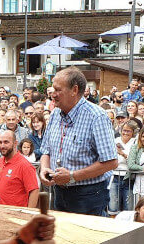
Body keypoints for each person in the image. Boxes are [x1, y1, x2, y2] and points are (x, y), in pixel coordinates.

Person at [39, 67, 118, 216]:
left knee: (87, 239)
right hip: (59, 192)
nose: (52, 94)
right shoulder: (55, 114)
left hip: (88, 196)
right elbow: (46, 151)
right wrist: (44, 169)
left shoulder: (96, 117)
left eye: (57, 90)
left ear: (74, 90)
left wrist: (72, 176)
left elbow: (111, 162)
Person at [0, 130, 39, 207]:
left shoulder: (25, 165)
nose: (2, 146)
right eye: (0, 142)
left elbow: (34, 191)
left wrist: (28, 214)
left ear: (15, 143)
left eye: (6, 142)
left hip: (14, 214)